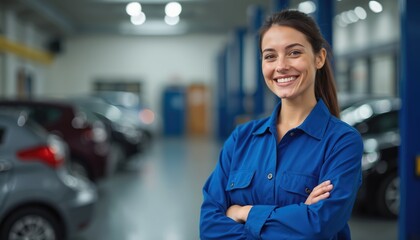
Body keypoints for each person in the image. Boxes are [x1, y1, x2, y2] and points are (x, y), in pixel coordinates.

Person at [199, 9, 363, 240]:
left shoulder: (341, 142)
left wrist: (244, 212)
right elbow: (209, 227)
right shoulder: (241, 139)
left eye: (294, 52)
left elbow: (318, 226)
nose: (281, 66)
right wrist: (297, 217)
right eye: (270, 56)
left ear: (319, 58)